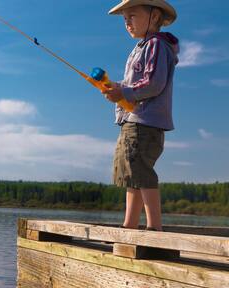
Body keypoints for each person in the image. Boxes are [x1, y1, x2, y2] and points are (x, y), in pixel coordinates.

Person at [103, 0, 180, 231]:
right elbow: (136, 82)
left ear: (154, 16)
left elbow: (154, 83)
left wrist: (124, 92)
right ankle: (130, 225)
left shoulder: (156, 44)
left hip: (144, 122)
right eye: (125, 19)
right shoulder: (141, 47)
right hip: (134, 120)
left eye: (132, 16)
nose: (127, 23)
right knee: (131, 174)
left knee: (140, 171)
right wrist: (117, 87)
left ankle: (155, 228)